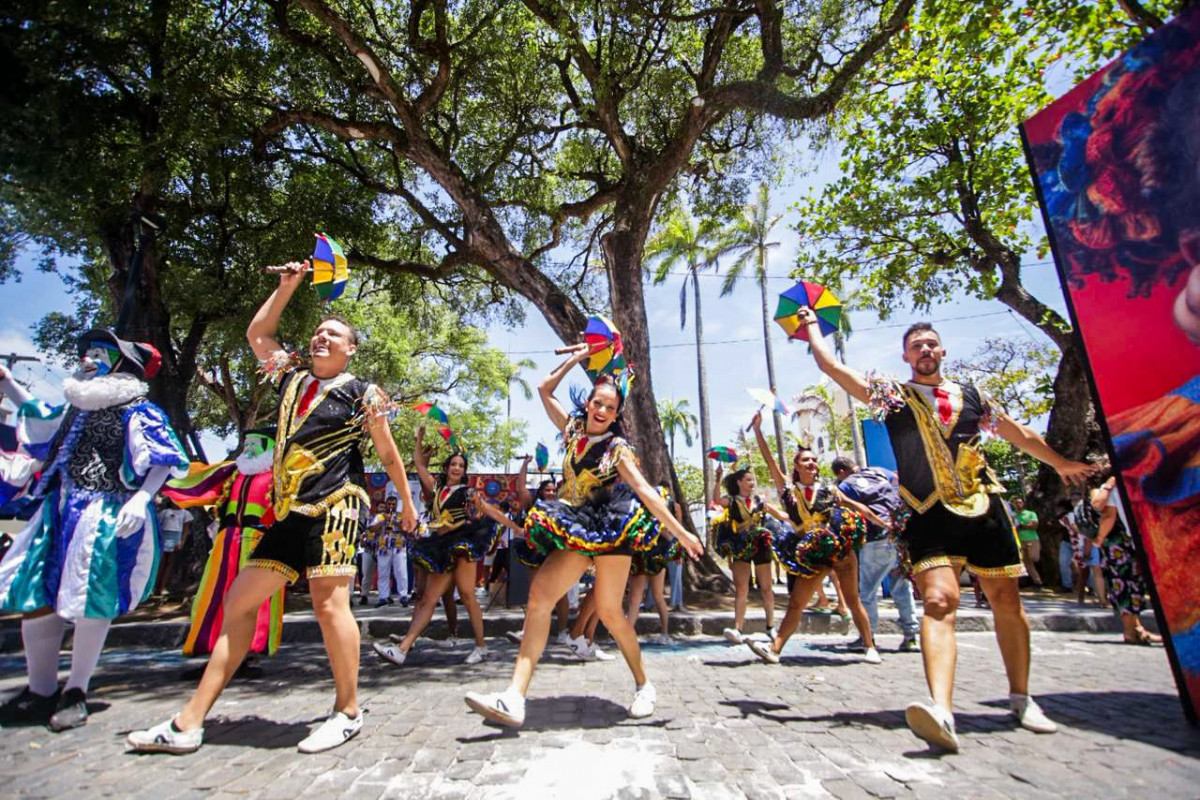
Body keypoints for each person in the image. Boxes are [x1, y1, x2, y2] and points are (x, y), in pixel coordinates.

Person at [128, 260, 417, 755]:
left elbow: (388, 453)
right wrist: (287, 287)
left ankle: (348, 711)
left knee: (330, 603)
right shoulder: (291, 379)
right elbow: (258, 332)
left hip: (337, 503)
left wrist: (408, 505)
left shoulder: (363, 393)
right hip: (289, 512)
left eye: (334, 335)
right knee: (237, 603)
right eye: (318, 332)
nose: (322, 338)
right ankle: (188, 723)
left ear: (351, 350)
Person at [794, 307, 1096, 751]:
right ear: (906, 356)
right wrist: (813, 328)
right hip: (927, 511)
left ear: (943, 351)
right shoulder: (891, 396)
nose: (925, 350)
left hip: (983, 507)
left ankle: (1021, 697)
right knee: (938, 600)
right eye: (917, 346)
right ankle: (942, 710)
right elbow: (832, 367)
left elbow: (1018, 434)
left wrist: (1062, 463)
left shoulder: (974, 396)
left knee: (1006, 602)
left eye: (931, 344)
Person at [463, 345, 704, 728]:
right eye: (598, 403)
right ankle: (514, 697)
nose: (603, 411)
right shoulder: (573, 429)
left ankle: (644, 685)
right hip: (575, 524)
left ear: (616, 414)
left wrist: (682, 533)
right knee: (540, 597)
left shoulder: (617, 449)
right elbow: (544, 389)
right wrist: (577, 358)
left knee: (609, 611)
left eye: (610, 407)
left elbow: (644, 490)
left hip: (611, 526)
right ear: (588, 402)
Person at [0, 331, 189, 732]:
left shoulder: (138, 410)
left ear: (121, 364)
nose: (87, 359)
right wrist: (8, 383)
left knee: (92, 597)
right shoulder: (75, 407)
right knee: (36, 593)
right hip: (58, 510)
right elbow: (39, 417)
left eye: (98, 354)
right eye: (85, 353)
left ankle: (77, 690)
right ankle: (41, 688)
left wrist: (141, 499)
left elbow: (161, 457)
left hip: (106, 510)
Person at [745, 412, 882, 666]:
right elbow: (769, 461)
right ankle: (775, 650)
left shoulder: (830, 490)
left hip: (839, 551)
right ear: (796, 465)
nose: (811, 464)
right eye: (806, 460)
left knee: (852, 599)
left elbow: (856, 507)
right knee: (797, 603)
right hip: (810, 555)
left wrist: (882, 522)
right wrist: (757, 431)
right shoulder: (787, 489)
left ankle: (869, 646)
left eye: (814, 461)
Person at [160, 428, 285, 662]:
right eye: (246, 444)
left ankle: (253, 647)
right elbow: (199, 478)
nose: (248, 449)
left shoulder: (279, 476)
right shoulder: (231, 473)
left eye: (254, 444)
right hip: (226, 542)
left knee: (256, 596)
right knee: (217, 591)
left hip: (261, 542)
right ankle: (210, 642)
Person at [373, 432, 495, 666]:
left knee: (467, 596)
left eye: (461, 465)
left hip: (461, 546)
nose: (456, 468)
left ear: (464, 470)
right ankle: (404, 647)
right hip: (440, 547)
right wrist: (419, 440)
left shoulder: (466, 492)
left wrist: (509, 526)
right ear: (447, 467)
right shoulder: (437, 487)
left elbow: (484, 512)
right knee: (427, 598)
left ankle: (480, 645)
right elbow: (419, 464)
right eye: (453, 464)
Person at [830, 457, 919, 653]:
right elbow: (898, 481)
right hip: (899, 536)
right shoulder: (879, 471)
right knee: (902, 587)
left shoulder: (845, 485)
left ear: (841, 472)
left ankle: (868, 635)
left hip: (875, 539)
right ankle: (911, 636)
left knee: (867, 592)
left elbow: (847, 510)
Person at [711, 464, 783, 644]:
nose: (752, 483)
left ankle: (770, 627)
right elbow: (717, 500)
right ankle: (738, 629)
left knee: (766, 587)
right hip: (740, 546)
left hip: (761, 545)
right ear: (739, 482)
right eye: (749, 480)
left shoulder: (760, 501)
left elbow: (780, 515)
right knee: (741, 589)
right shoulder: (733, 501)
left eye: (753, 480)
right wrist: (718, 478)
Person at [1089, 477, 1160, 646]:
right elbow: (1105, 513)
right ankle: (1132, 630)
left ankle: (1135, 628)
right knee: (1126, 584)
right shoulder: (1107, 488)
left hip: (1127, 542)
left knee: (1131, 585)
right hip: (1119, 545)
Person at [506, 478, 573, 646]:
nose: (550, 493)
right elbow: (520, 487)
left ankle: (563, 632)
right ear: (540, 492)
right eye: (547, 490)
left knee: (560, 594)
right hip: (535, 553)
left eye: (553, 490)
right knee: (535, 592)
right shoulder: (533, 505)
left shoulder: (562, 508)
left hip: (556, 554)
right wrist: (526, 464)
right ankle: (528, 631)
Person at [625, 484, 683, 644]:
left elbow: (669, 535)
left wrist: (677, 551)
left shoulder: (658, 520)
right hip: (641, 555)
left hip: (654, 555)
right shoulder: (641, 515)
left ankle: (664, 632)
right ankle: (628, 634)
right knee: (637, 597)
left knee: (654, 596)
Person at [375, 496, 410, 607]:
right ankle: (383, 597)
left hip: (398, 547)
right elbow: (372, 529)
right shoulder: (379, 516)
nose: (390, 506)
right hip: (383, 547)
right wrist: (383, 521)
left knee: (401, 572)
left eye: (393, 504)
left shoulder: (401, 515)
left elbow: (406, 529)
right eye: (388, 504)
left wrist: (393, 521)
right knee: (383, 573)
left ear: (396, 505)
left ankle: (403, 596)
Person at [155, 500, 192, 597]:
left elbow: (185, 528)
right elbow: (158, 526)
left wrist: (182, 541)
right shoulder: (165, 512)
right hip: (165, 536)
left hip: (176, 537)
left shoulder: (185, 513)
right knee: (161, 562)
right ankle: (154, 586)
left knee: (169, 562)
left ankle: (162, 587)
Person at [1013, 497, 1043, 588]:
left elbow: (1034, 525)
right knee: (1026, 563)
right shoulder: (1013, 515)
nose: (1018, 504)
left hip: (1032, 539)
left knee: (1034, 558)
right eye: (1016, 503)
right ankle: (1037, 582)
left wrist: (1021, 526)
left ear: (1023, 503)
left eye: (1020, 502)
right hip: (1020, 541)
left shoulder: (1031, 514)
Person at [358, 502, 383, 606]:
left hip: (382, 550)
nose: (383, 508)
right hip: (369, 549)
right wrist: (362, 541)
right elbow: (365, 530)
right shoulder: (370, 519)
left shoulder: (389, 520)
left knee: (383, 574)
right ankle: (364, 595)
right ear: (376, 508)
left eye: (384, 507)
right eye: (381, 506)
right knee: (367, 573)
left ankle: (384, 596)